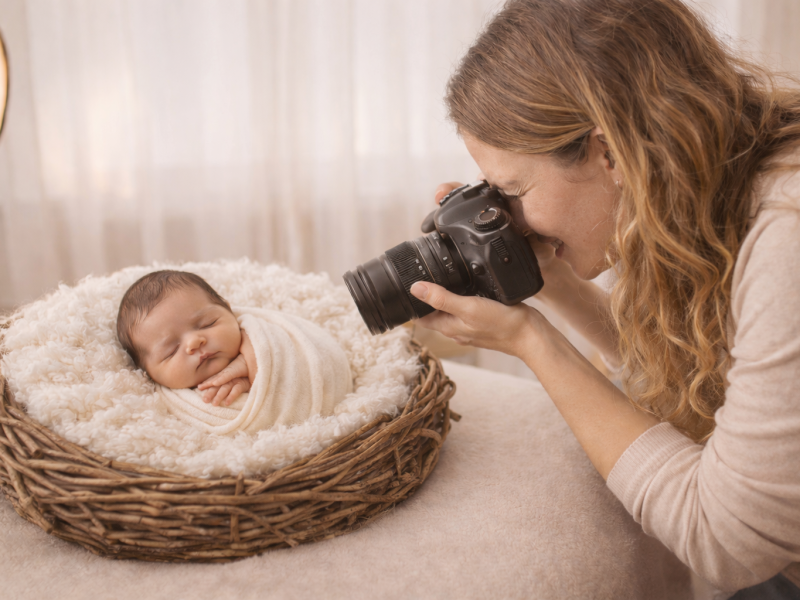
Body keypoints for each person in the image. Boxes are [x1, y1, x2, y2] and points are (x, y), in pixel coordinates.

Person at [409, 0, 800, 595]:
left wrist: (532, 343)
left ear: (609, 150)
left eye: (513, 190)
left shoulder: (787, 233)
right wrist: (554, 287)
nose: (510, 219)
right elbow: (713, 391)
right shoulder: (723, 191)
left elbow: (727, 541)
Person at [117, 270, 352, 434]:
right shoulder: (169, 411)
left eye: (207, 324)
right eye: (171, 351)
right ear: (147, 373)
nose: (194, 342)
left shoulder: (264, 332)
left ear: (229, 311)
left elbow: (316, 352)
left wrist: (255, 362)